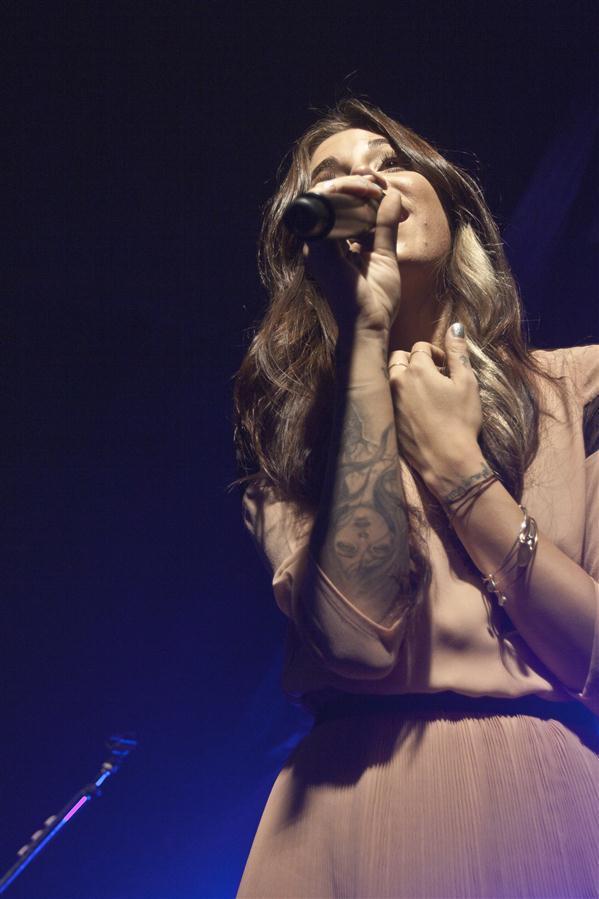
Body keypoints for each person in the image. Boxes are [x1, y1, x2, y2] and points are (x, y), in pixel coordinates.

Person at [232, 98, 599, 898]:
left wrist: (460, 474)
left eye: (388, 162)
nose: (367, 183)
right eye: (334, 179)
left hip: (538, 804)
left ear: (448, 204)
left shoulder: (581, 392)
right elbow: (355, 643)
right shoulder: (289, 445)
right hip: (347, 809)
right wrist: (366, 335)